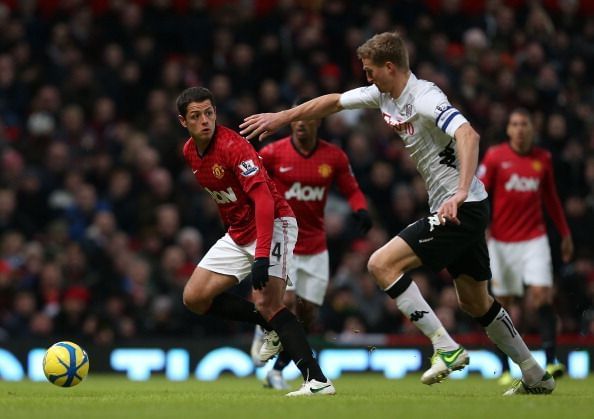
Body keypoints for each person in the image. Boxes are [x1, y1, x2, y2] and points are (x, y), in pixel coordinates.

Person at [240, 31, 554, 395]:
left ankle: (445, 347)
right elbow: (333, 102)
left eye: (371, 71)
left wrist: (461, 192)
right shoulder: (383, 94)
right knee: (474, 301)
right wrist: (283, 117)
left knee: (381, 264)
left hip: (461, 206)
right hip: (460, 207)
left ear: (390, 67)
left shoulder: (425, 98)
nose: (367, 78)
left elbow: (469, 135)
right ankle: (534, 373)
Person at [176, 86, 335, 396]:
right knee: (194, 297)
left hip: (274, 224)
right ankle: (270, 326)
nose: (205, 120)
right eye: (196, 116)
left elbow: (263, 199)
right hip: (238, 232)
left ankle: (317, 380)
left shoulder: (234, 147)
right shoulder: (189, 152)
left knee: (269, 303)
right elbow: (225, 197)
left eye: (209, 113)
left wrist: (261, 255)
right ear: (184, 122)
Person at [249, 98, 372, 389]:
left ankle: (277, 370)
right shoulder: (272, 153)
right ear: (291, 122)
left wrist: (360, 208)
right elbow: (252, 183)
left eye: (308, 118)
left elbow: (352, 189)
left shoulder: (334, 158)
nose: (301, 124)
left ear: (318, 121)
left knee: (307, 315)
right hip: (285, 241)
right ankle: (262, 330)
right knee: (286, 302)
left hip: (317, 246)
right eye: (296, 119)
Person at [478, 108, 573, 385]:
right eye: (515, 124)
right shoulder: (495, 156)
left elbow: (551, 198)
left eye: (524, 124)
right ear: (508, 130)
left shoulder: (543, 159)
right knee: (501, 306)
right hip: (501, 242)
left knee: (542, 296)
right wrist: (479, 227)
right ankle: (506, 369)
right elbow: (480, 192)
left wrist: (565, 233)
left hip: (534, 238)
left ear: (532, 129)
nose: (519, 129)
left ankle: (551, 361)